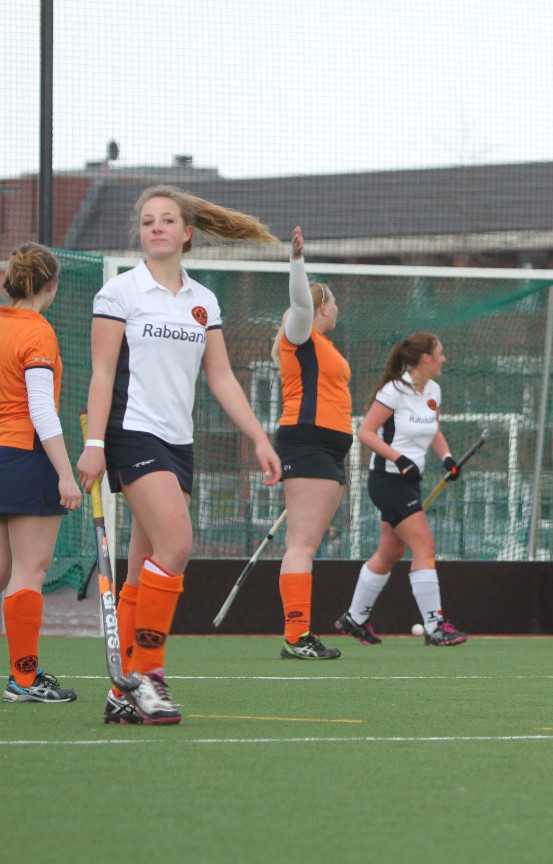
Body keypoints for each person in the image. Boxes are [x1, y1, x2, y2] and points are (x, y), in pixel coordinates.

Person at [77, 185, 282, 725]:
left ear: (187, 233)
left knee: (144, 568)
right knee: (177, 543)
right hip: (131, 433)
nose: (156, 228)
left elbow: (222, 377)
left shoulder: (203, 300)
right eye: (148, 221)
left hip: (178, 440)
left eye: (167, 220)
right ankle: (149, 675)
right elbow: (102, 374)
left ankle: (122, 689)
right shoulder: (119, 293)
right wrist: (94, 445)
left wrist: (259, 438)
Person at [337, 333, 466, 646]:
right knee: (425, 546)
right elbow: (366, 432)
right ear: (425, 358)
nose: (444, 359)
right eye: (440, 353)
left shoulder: (433, 390)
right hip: (388, 480)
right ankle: (435, 626)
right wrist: (399, 459)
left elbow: (433, 430)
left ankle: (354, 618)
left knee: (389, 553)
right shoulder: (394, 391)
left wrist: (447, 458)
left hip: (410, 481)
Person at [1, 244, 81, 703]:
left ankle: (24, 676)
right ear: (51, 285)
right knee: (30, 570)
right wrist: (65, 474)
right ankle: (24, 680)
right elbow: (40, 409)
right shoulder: (38, 331)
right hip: (24, 457)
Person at [273, 227, 350, 659]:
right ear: (323, 305)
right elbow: (300, 302)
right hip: (308, 444)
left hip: (328, 449)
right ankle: (297, 637)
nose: (337, 308)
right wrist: (297, 261)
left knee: (306, 543)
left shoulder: (323, 345)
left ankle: (298, 635)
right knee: (301, 544)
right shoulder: (300, 333)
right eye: (333, 302)